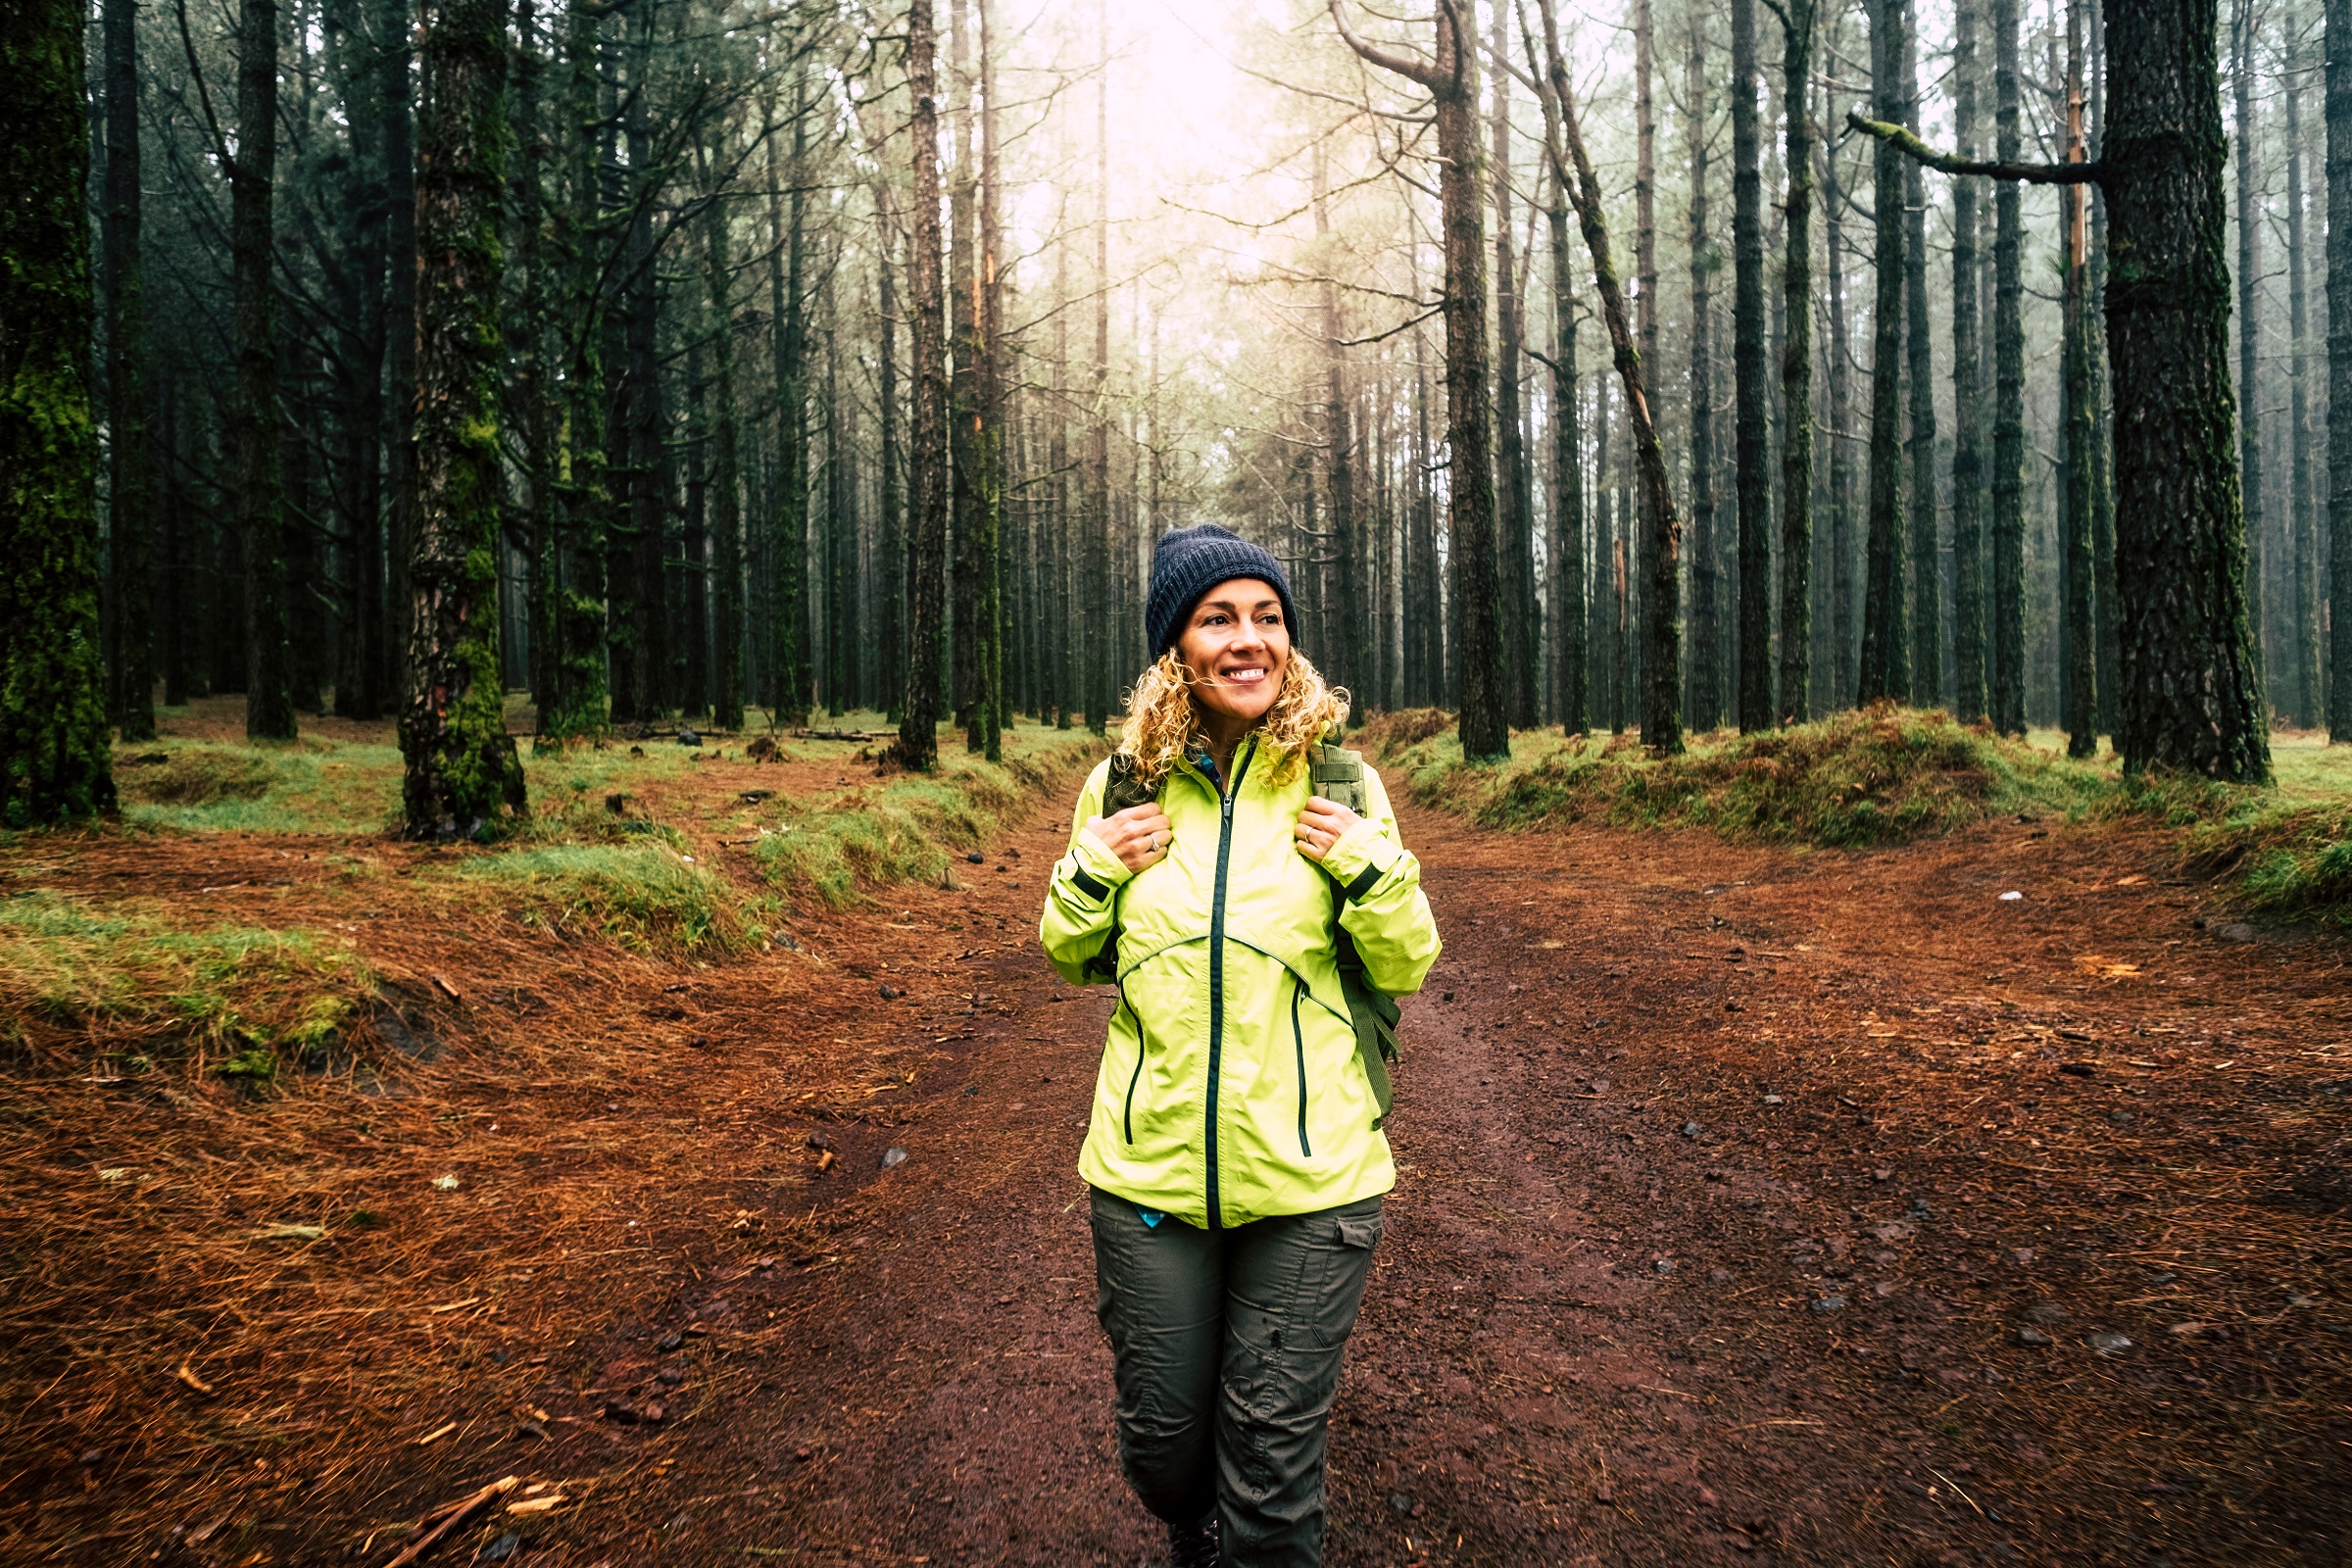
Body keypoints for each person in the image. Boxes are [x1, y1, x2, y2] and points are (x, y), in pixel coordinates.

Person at [1039, 522, 1442, 1567]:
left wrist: (1372, 871)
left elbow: (1404, 964)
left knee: (1268, 1468)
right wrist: (1092, 868)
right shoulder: (1123, 786)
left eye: (1267, 617)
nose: (1248, 638)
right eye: (1219, 617)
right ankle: (1194, 1522)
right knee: (1167, 1459)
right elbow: (1072, 954)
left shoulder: (1341, 786)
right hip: (1147, 1176)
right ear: (1177, 645)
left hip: (1313, 1183)